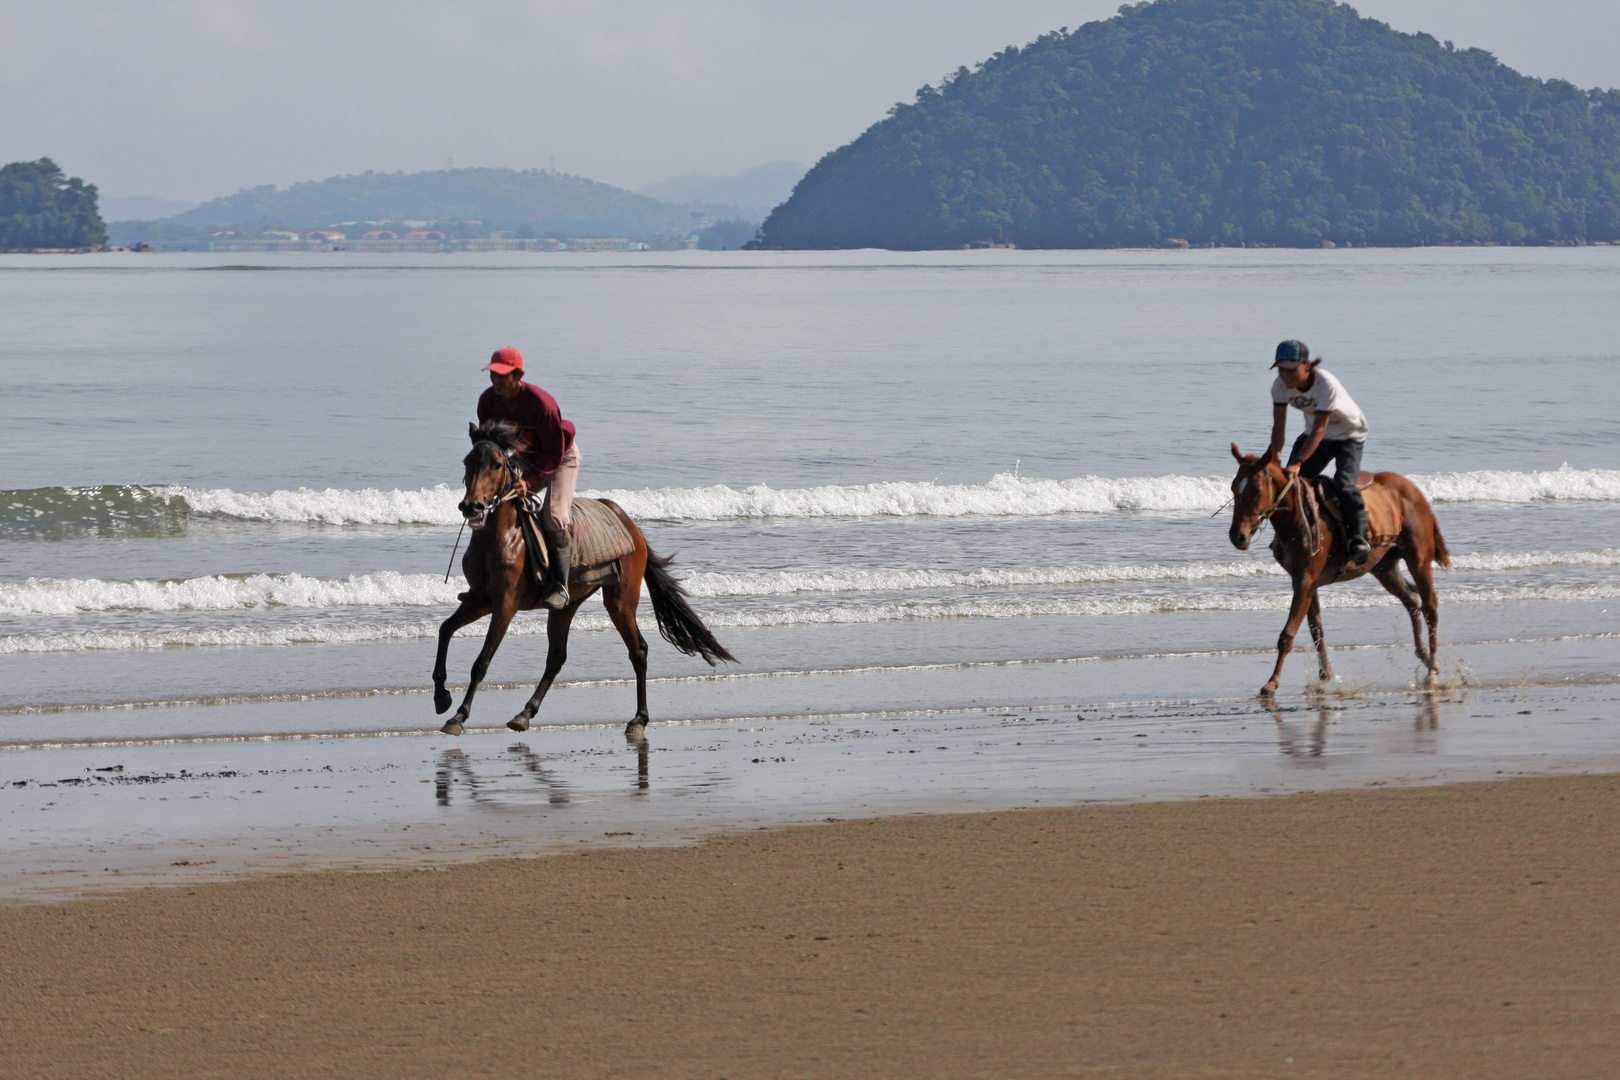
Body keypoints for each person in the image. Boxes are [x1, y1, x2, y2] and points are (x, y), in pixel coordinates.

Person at [476, 346, 580, 608]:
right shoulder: (487, 401)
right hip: (524, 456)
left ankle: (561, 585)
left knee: (554, 516)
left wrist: (529, 481)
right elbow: (493, 448)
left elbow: (553, 451)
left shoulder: (541, 403)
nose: (495, 380)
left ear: (518, 374)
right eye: (493, 374)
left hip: (559, 457)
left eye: (502, 375)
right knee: (495, 499)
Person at [1266, 339, 1371, 562]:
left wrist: (1298, 461)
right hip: (1314, 435)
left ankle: (1357, 537)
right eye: (1281, 369)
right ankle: (1290, 534)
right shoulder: (1279, 386)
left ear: (1306, 365)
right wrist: (1276, 456)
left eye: (1291, 369)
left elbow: (1320, 429)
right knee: (1289, 483)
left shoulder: (1326, 384)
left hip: (1349, 435)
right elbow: (1279, 426)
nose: (1285, 375)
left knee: (1344, 483)